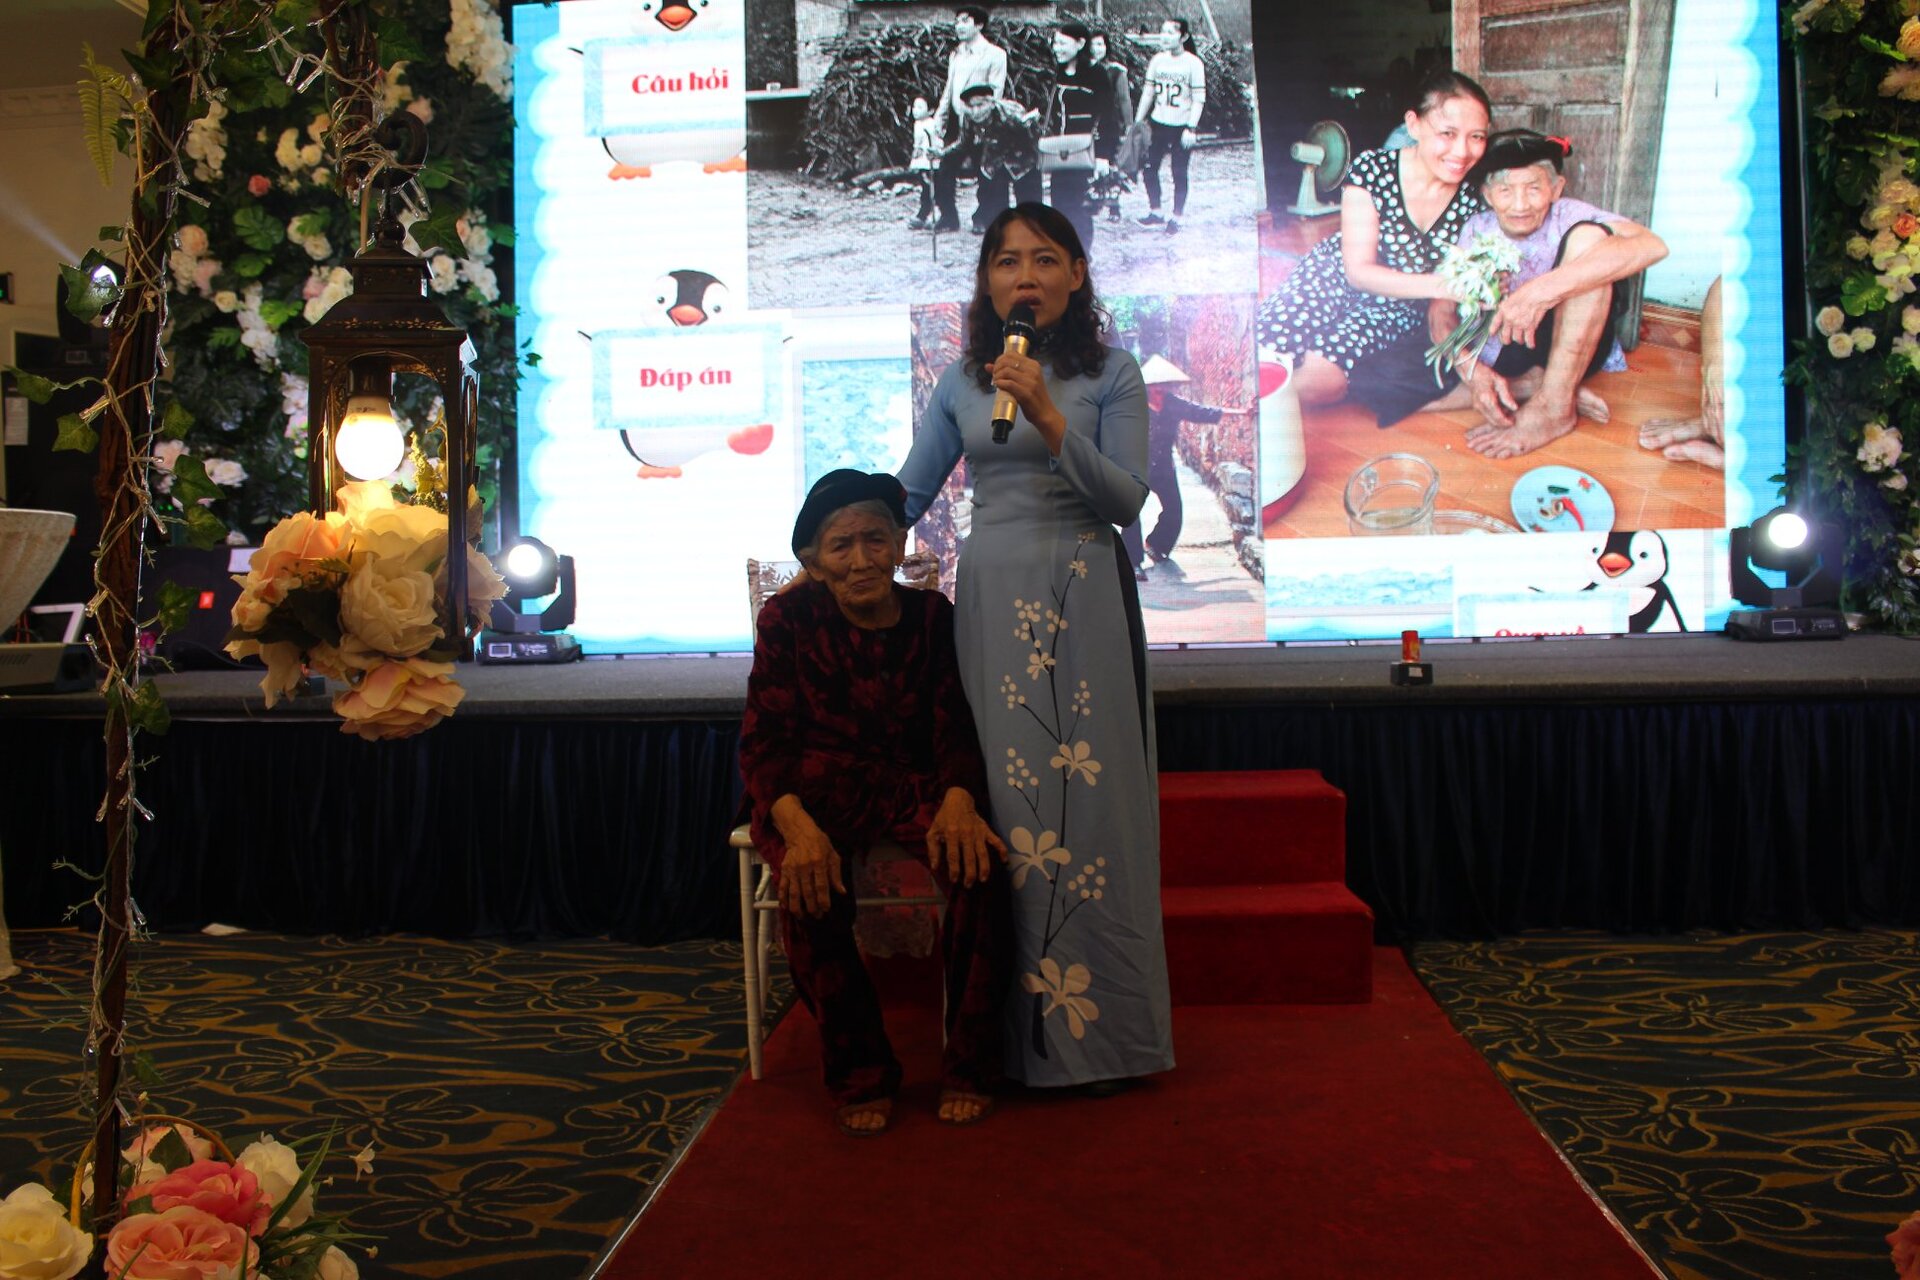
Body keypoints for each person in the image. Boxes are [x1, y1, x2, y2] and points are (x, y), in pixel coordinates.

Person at [900, 203, 1175, 1090]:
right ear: (987, 282)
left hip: (1083, 589)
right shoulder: (962, 381)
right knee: (1008, 805)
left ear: (1077, 275)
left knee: (1091, 808)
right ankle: (1002, 1044)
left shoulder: (1112, 373)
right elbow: (908, 492)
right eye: (1008, 261)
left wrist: (1050, 416)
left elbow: (1125, 501)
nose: (1026, 276)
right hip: (992, 595)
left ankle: (1106, 1042)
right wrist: (832, 539)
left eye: (1046, 259)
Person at [739, 469, 1012, 1135]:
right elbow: (764, 742)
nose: (861, 560)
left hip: (913, 785)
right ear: (814, 562)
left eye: (875, 540)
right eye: (841, 546)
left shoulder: (932, 617)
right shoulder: (788, 620)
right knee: (808, 888)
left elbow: (955, 725)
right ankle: (860, 1072)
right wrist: (798, 830)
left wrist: (959, 799)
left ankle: (970, 1065)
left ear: (898, 547)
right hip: (812, 792)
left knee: (982, 872)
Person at [1412, 129, 1671, 457]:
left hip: (1570, 341)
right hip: (1505, 348)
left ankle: (1555, 405)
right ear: (1488, 194)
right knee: (1395, 393)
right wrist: (1471, 371)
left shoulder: (1569, 214)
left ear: (1556, 189)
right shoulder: (1476, 227)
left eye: (1534, 188)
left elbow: (1653, 246)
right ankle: (1540, 386)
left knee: (1589, 240)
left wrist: (1538, 293)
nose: (1520, 205)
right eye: (1505, 190)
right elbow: (1441, 309)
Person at [1255, 69, 1493, 410]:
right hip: (1334, 275)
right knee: (1266, 348)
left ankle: (1256, 410)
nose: (1462, 151)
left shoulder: (1474, 202)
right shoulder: (1373, 170)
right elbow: (1358, 272)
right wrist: (1446, 286)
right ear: (1414, 125)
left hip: (1398, 304)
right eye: (1448, 133)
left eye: (1477, 137)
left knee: (1323, 383)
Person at [1120, 355, 1229, 579]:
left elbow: (1202, 412)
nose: (1159, 390)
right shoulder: (1133, 405)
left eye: (1164, 385)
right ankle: (1133, 562)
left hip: (1163, 467)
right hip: (1136, 466)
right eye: (1155, 386)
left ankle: (1155, 544)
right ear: (1146, 386)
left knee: (1174, 510)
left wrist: (1240, 412)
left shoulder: (1173, 404)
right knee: (1131, 513)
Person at [1044, 23, 1126, 252]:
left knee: (1079, 205)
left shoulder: (1096, 73)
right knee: (1059, 203)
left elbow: (1108, 115)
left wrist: (1103, 156)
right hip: (1061, 150)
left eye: (1062, 43)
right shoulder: (1059, 71)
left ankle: (1082, 254)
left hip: (1086, 151)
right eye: (1055, 42)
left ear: (1080, 43)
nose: (1056, 48)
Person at [928, 6, 1009, 233]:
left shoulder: (995, 54)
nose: (959, 26)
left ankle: (983, 217)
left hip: (983, 123)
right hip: (957, 120)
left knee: (985, 171)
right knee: (945, 167)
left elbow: (996, 93)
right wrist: (940, 117)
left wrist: (979, 116)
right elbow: (949, 88)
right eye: (957, 22)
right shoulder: (956, 54)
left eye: (965, 21)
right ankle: (948, 217)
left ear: (979, 25)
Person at [1134, 18, 1207, 235]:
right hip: (1158, 123)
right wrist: (1138, 121)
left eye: (1170, 32)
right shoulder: (1157, 60)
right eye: (1162, 31)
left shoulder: (1193, 63)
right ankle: (1156, 211)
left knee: (1178, 172)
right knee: (1149, 168)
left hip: (1181, 125)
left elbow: (1199, 99)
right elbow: (1148, 93)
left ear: (1183, 37)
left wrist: (1191, 128)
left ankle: (1177, 217)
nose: (1164, 36)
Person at [939, 84, 1044, 232]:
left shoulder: (1010, 112)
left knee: (1030, 207)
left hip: (1022, 159)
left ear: (991, 102)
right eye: (971, 107)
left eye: (980, 105)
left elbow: (1034, 136)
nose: (976, 111)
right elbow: (964, 143)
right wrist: (942, 153)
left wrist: (1030, 126)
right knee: (994, 209)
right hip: (994, 161)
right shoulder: (968, 117)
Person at [1088, 31, 1134, 224]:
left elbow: (1124, 99)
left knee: (1109, 163)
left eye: (1100, 44)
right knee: (1089, 163)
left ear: (1107, 47)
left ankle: (1114, 205)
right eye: (1092, 44)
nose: (1096, 49)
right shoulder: (1082, 69)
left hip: (1109, 122)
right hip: (1087, 122)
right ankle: (1094, 200)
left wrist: (1129, 124)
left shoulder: (1116, 71)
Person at [907, 95, 943, 229]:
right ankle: (924, 214)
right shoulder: (917, 124)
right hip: (921, 160)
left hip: (930, 161)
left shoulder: (932, 124)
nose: (915, 110)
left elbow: (937, 141)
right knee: (925, 187)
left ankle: (930, 214)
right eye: (914, 107)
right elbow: (917, 142)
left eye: (920, 107)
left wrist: (935, 153)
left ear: (931, 111)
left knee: (932, 188)